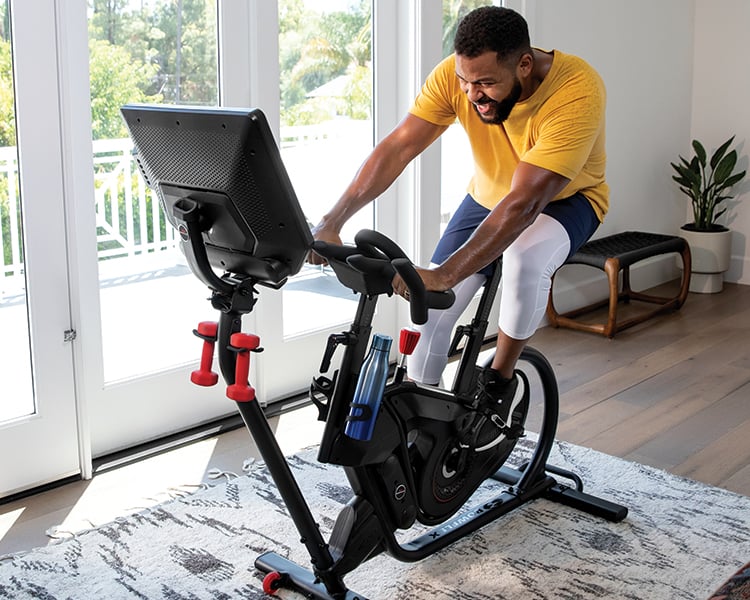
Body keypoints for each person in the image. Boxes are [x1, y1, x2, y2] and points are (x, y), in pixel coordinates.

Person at [309, 6, 607, 452]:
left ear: (524, 64)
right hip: (487, 197)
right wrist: (333, 221)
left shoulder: (576, 89)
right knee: (430, 312)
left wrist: (446, 274)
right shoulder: (457, 76)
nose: (473, 94)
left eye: (486, 83)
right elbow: (399, 146)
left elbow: (526, 202)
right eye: (467, 82)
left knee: (523, 257)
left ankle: (499, 381)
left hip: (565, 201)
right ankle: (419, 424)